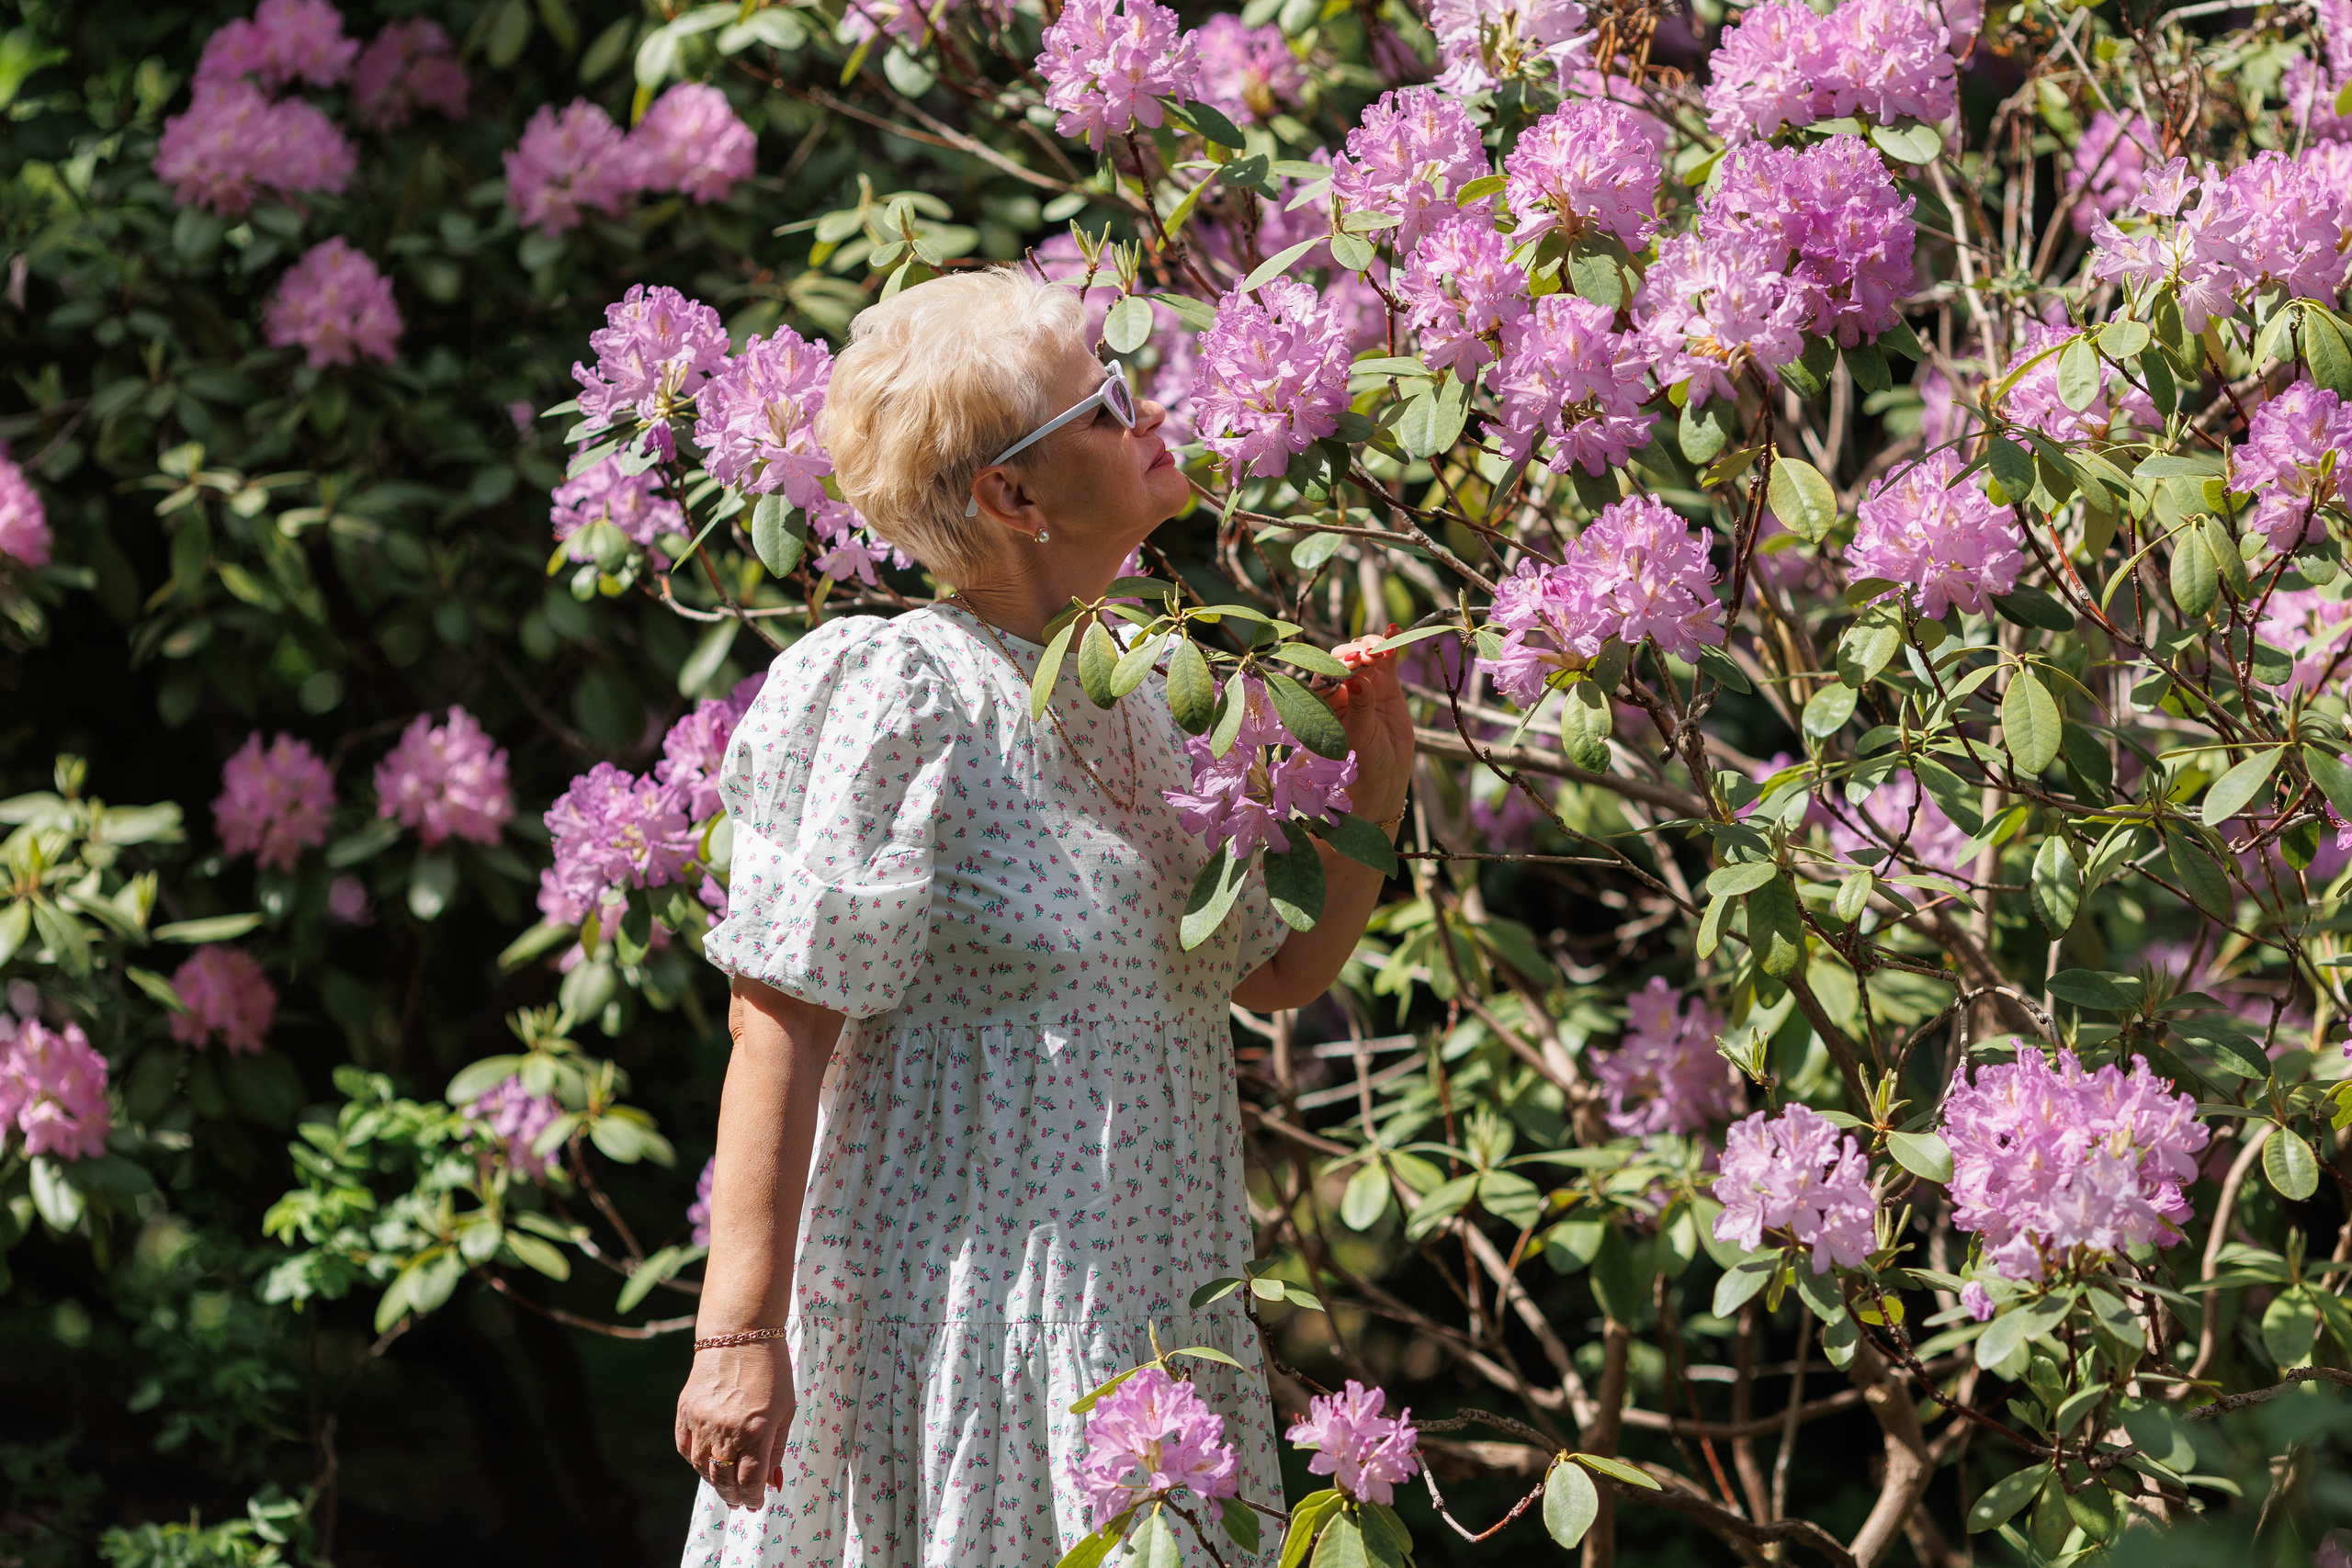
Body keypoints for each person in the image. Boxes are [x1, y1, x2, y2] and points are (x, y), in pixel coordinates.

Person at [673, 265, 1414, 1565]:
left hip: (1152, 1334)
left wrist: (1375, 780)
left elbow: (1280, 974)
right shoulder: (900, 691)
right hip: (961, 1337)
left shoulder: (1146, 698)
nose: (1149, 418)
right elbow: (775, 1021)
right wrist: (737, 1338)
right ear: (1013, 497)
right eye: (1103, 407)